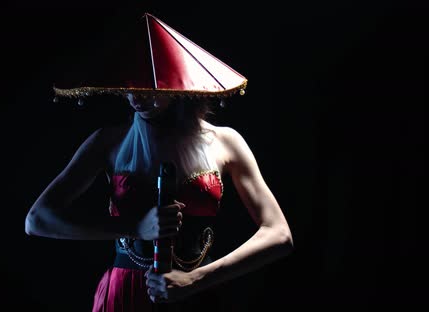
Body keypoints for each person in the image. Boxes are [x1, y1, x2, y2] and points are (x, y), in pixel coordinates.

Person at [25, 13, 293, 311]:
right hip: (126, 295)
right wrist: (134, 226)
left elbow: (279, 234)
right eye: (129, 83)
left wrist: (197, 279)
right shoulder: (108, 142)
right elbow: (38, 219)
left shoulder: (225, 141)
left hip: (197, 292)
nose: (134, 96)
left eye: (146, 85)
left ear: (174, 82)